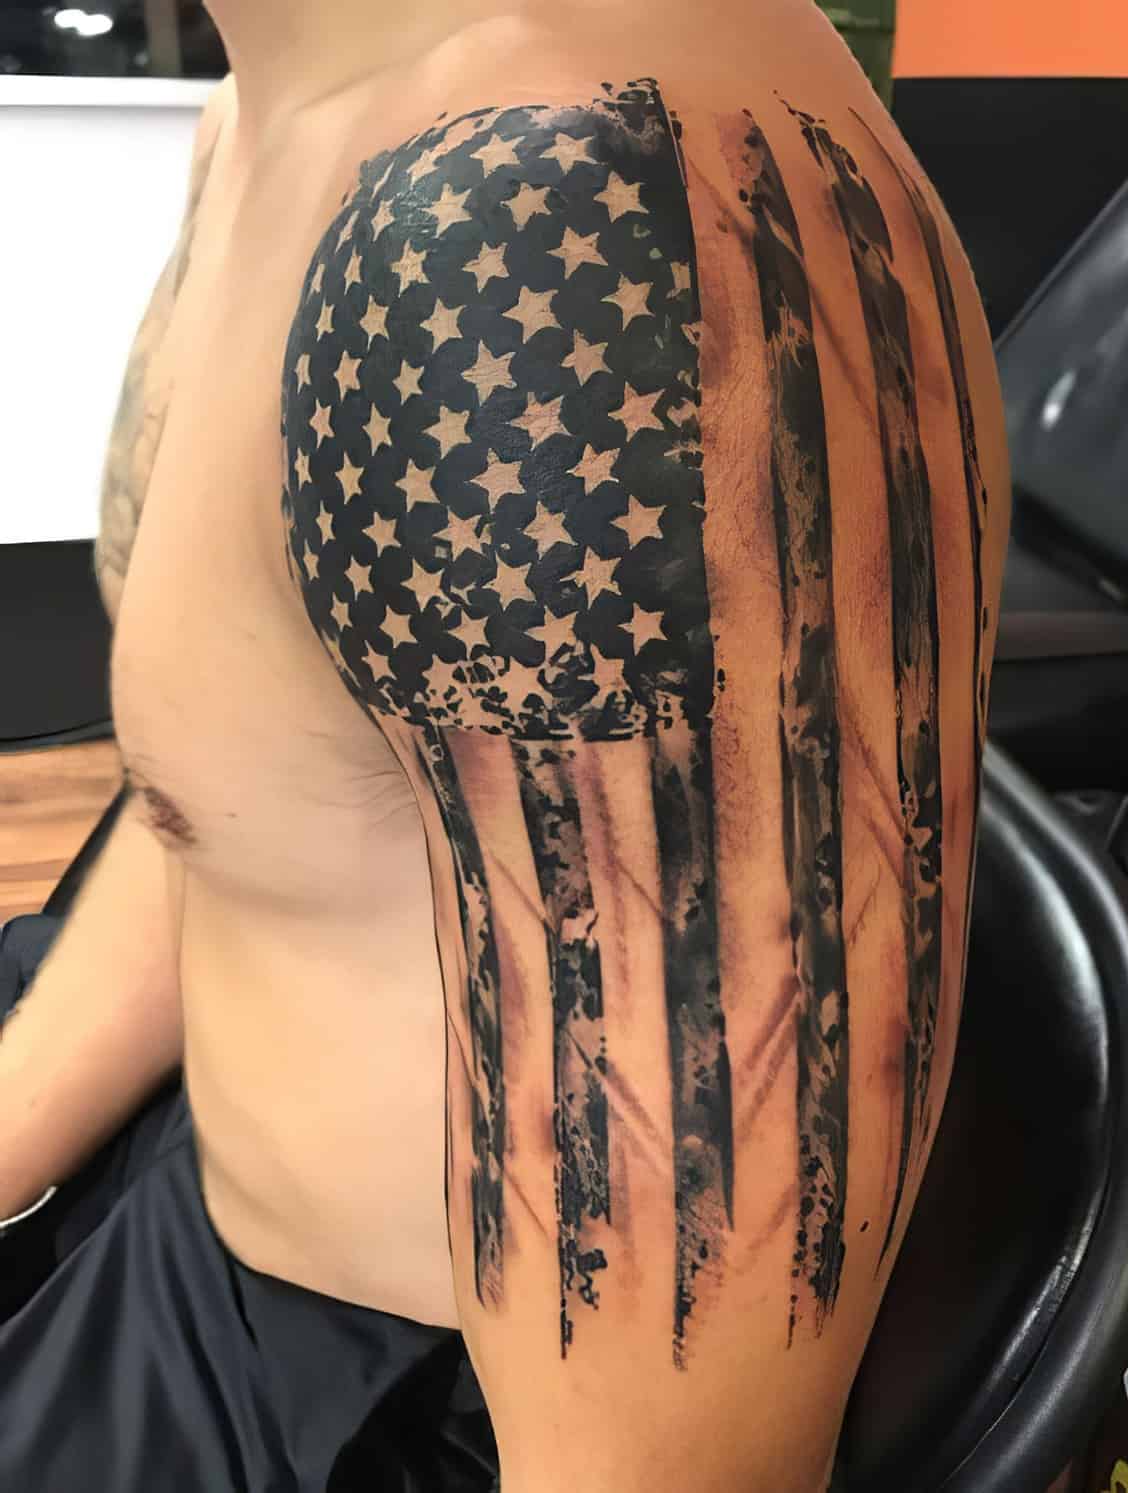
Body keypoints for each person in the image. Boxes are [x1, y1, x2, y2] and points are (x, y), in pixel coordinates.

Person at [0, 0, 1010, 1486]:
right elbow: (228, 804)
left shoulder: (558, 217)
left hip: (363, 1406)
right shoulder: (268, 102)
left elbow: (669, 1464)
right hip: (185, 1173)